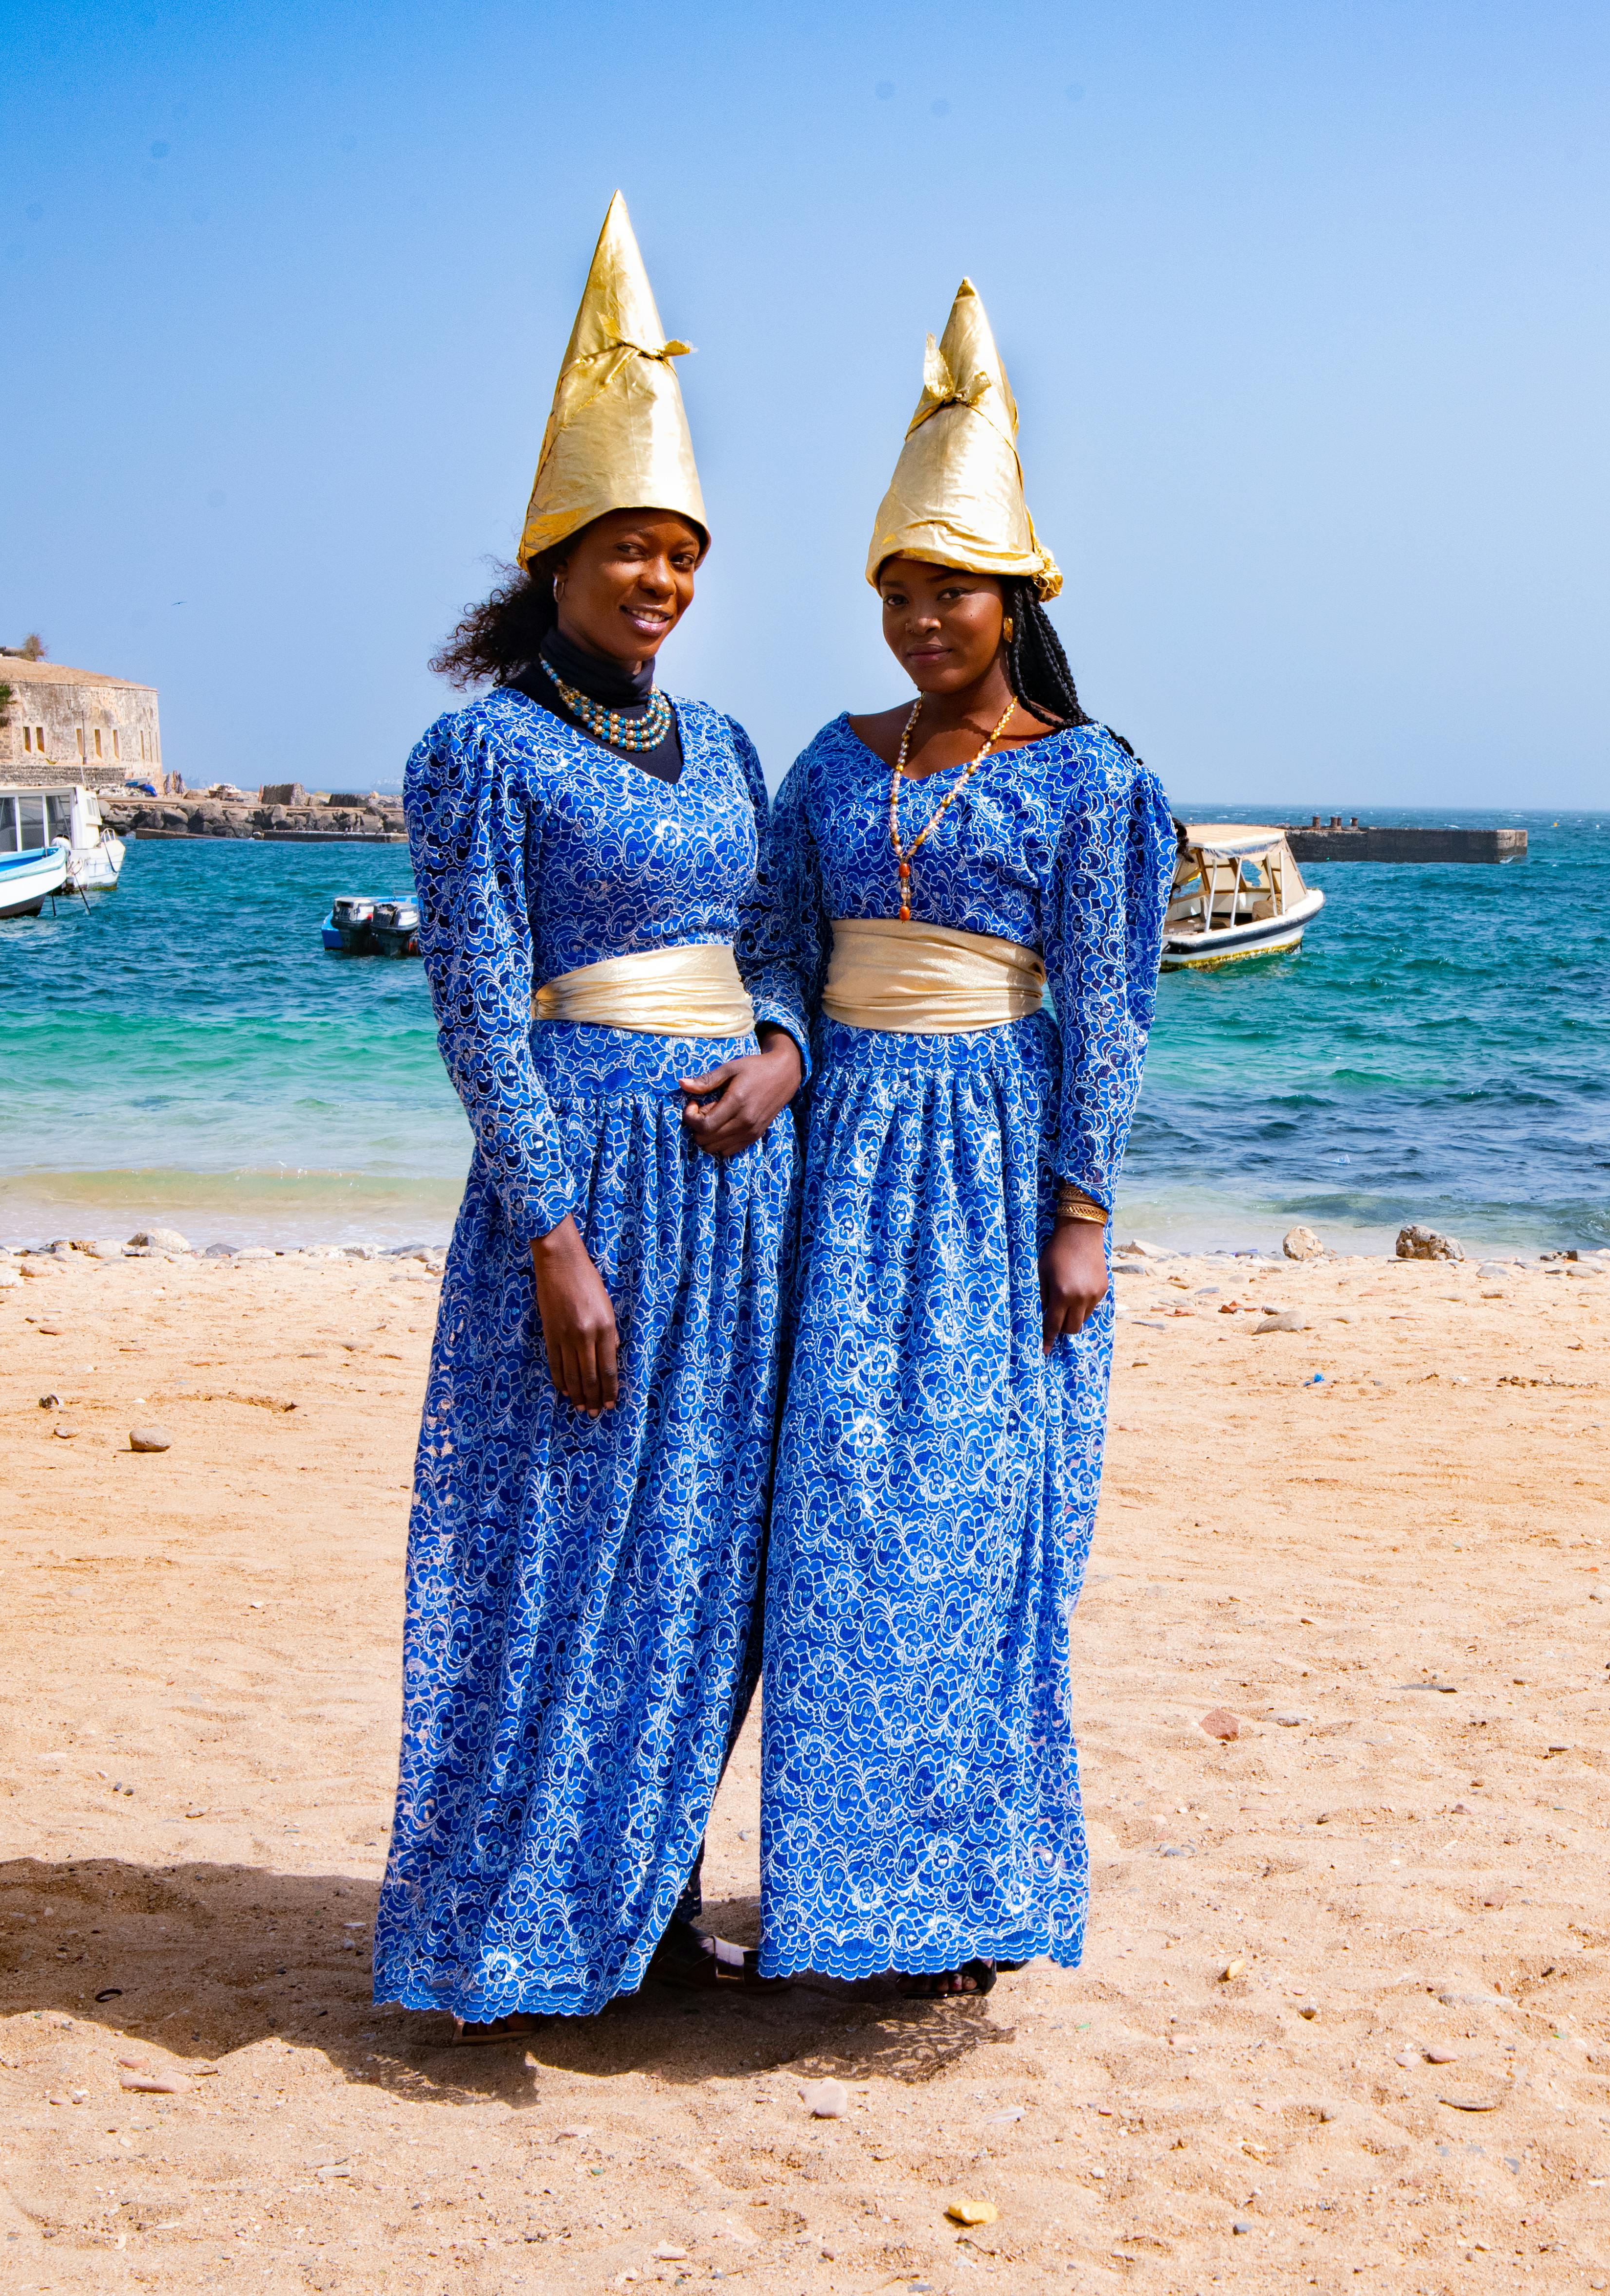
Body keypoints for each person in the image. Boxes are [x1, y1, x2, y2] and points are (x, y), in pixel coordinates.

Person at [373, 194, 807, 2037]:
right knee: (554, 1541)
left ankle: (641, 1899)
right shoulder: (475, 750)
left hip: (740, 1183)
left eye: (682, 557)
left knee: (704, 1553)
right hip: (584, 1184)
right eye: (629, 550)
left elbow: (783, 941)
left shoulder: (724, 747)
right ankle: (513, 1918)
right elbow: (478, 1002)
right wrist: (551, 1233)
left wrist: (780, 1044)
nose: (659, 585)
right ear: (556, 556)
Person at [745, 281, 1176, 2000]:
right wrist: (782, 1044)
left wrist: (1082, 1207)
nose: (923, 620)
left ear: (1017, 599)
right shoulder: (827, 768)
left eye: (951, 592)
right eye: (900, 593)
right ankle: (837, 1900)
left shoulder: (1091, 781)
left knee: (967, 1529)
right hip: (833, 1157)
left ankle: (958, 1893)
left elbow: (1111, 1005)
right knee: (833, 1525)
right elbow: (773, 931)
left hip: (993, 1163)